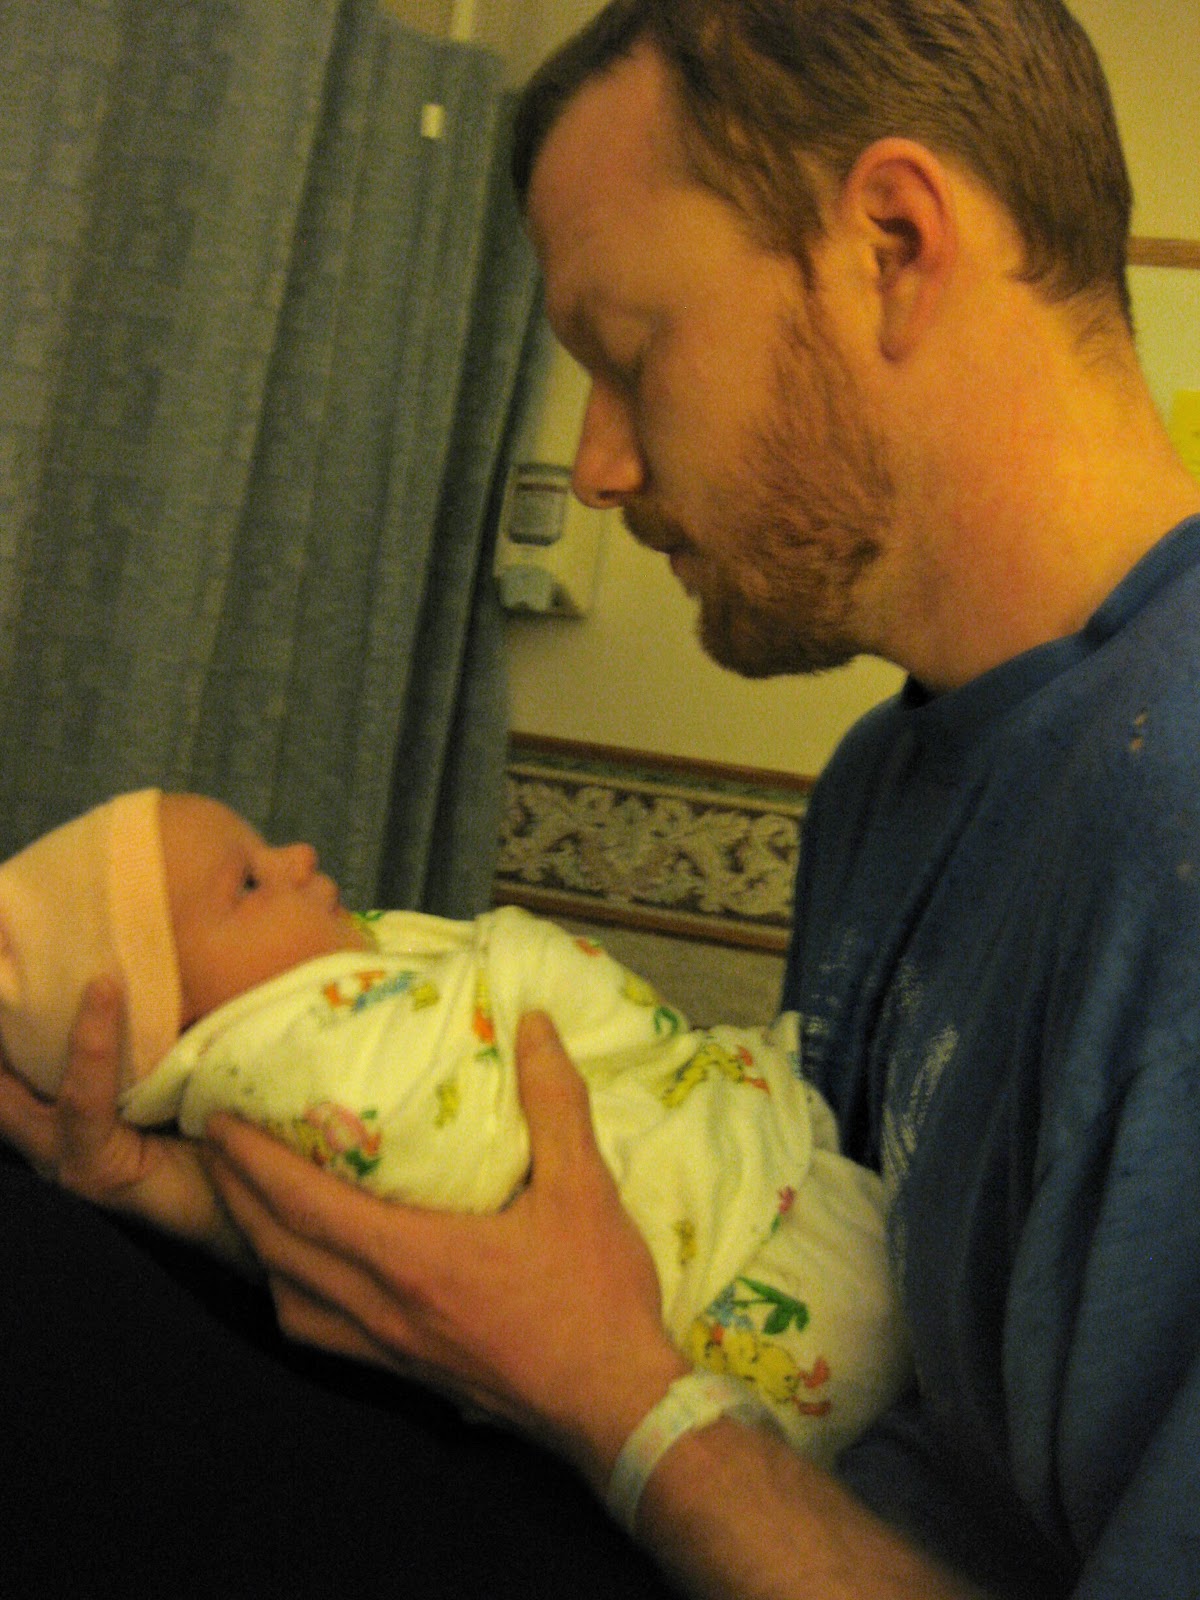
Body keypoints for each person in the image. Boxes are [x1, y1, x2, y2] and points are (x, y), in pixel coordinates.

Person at [3, 1, 1199, 1596]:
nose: (600, 468)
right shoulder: (882, 785)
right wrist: (213, 1205)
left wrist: (617, 1400)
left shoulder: (1174, 821)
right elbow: (769, 1307)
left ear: (895, 247)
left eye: (629, 357)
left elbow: (652, 1378)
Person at [0, 786, 910, 1462]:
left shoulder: (329, 998)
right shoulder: (295, 1058)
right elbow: (439, 1183)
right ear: (179, 1022)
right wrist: (520, 965)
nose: (300, 856)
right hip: (747, 1288)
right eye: (248, 881)